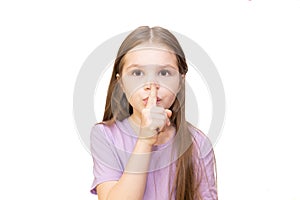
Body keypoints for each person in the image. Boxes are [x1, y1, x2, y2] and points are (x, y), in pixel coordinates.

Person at [90, 26, 217, 200]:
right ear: (121, 83)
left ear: (180, 81)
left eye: (164, 73)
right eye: (137, 73)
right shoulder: (106, 135)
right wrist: (145, 140)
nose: (151, 84)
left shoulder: (198, 143)